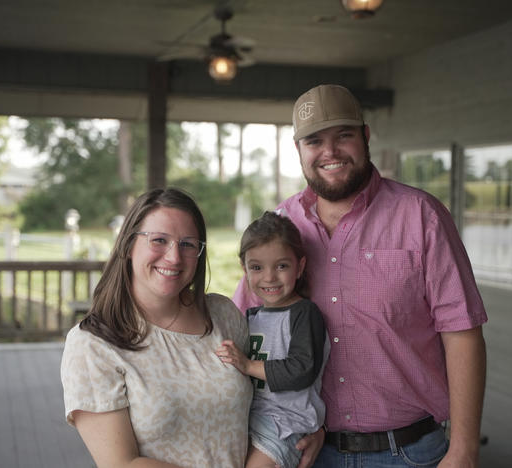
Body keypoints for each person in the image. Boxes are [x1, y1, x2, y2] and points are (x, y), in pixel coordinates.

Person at [233, 84, 488, 468]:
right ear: (299, 149)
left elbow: (462, 334)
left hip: (410, 452)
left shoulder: (421, 216)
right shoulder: (281, 228)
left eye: (344, 136)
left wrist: (464, 450)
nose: (330, 152)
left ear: (365, 136)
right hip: (311, 451)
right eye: (315, 141)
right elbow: (244, 328)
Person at [61, 188, 253, 468]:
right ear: (128, 245)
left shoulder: (223, 314)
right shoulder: (92, 345)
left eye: (188, 244)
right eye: (159, 240)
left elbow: (265, 409)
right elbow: (122, 464)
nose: (174, 257)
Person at [216, 211, 329, 468]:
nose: (269, 277)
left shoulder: (304, 313)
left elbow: (302, 369)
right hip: (249, 418)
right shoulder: (250, 316)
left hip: (287, 423)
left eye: (281, 266)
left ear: (299, 267)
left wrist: (247, 365)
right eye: (256, 267)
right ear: (244, 268)